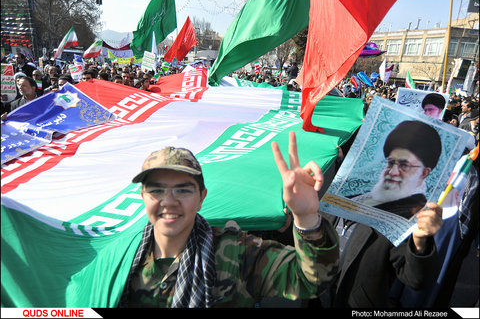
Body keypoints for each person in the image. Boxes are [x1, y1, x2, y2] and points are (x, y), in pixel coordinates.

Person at [118, 132, 339, 308]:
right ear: (142, 197)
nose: (168, 201)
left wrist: (306, 217)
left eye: (183, 190)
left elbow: (310, 280)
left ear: (201, 198)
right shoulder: (120, 256)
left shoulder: (236, 252)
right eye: (156, 190)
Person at [324, 120, 443, 308]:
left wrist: (421, 243)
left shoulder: (407, 218)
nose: (393, 172)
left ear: (424, 173)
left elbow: (417, 280)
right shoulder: (343, 194)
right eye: (390, 162)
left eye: (404, 165)